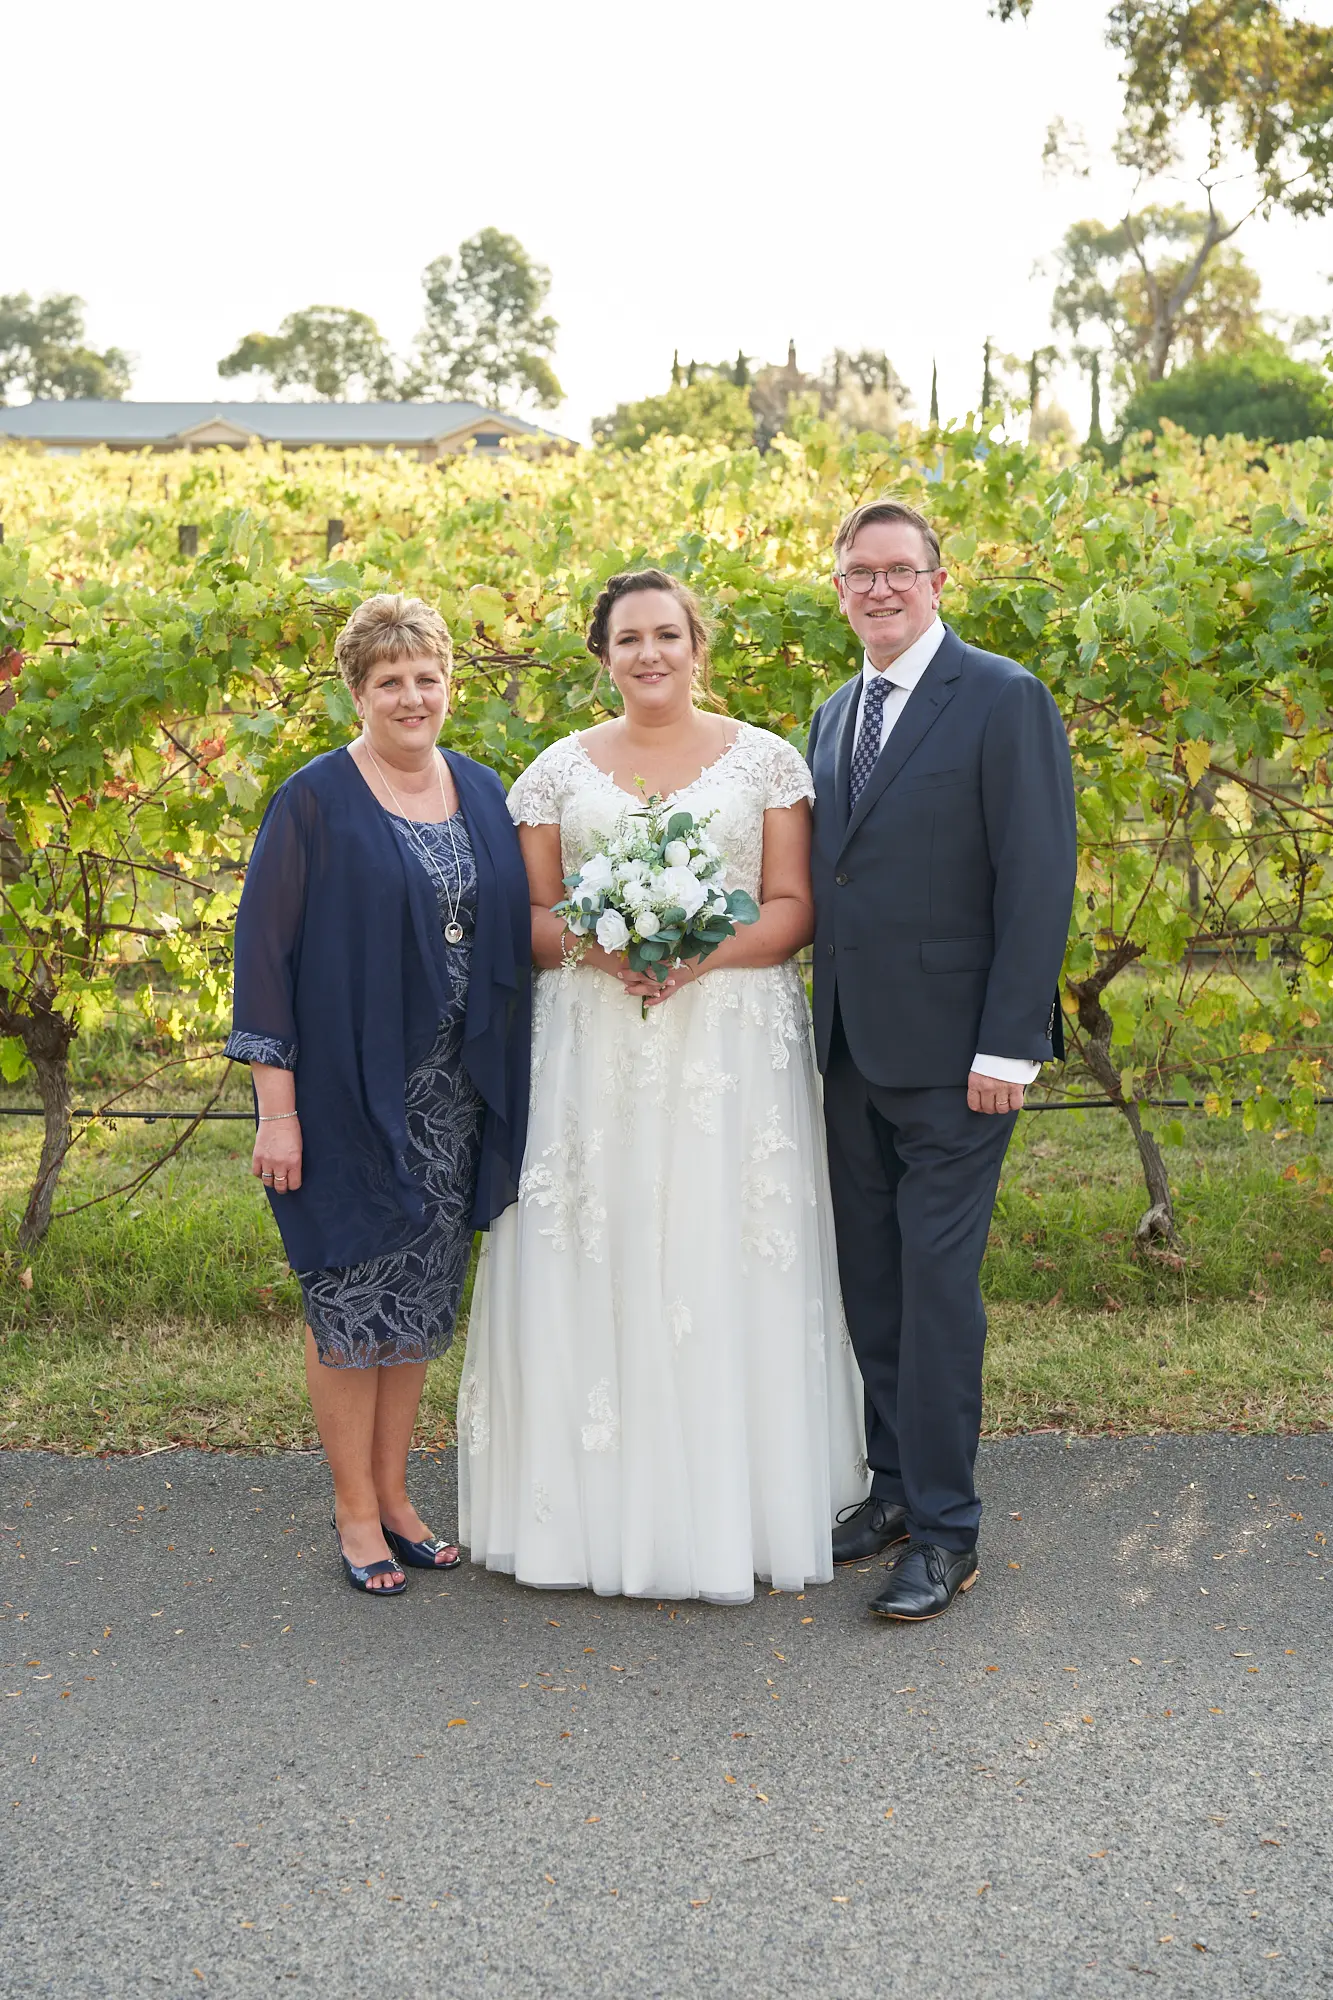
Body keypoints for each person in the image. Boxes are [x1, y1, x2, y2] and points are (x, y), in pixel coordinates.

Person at [459, 568, 866, 1602]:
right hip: (596, 1042)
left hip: (729, 1044)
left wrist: (695, 952)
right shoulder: (555, 772)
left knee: (722, 1245)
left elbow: (790, 905)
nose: (649, 653)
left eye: (667, 634)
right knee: (601, 1243)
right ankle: (588, 1511)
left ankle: (739, 1502)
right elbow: (535, 918)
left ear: (698, 644)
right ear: (602, 653)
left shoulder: (767, 761)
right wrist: (606, 948)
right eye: (628, 637)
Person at [225, 594, 530, 1596]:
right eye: (389, 680)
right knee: (348, 1305)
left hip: (454, 1099)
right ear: (357, 691)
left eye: (427, 676)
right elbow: (263, 955)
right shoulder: (313, 799)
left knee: (417, 1309)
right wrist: (279, 1109)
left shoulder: (483, 792)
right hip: (346, 1098)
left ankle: (398, 1498)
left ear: (449, 682)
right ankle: (354, 1512)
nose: (412, 696)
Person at [807, 500, 1076, 1621]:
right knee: (869, 1280)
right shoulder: (833, 710)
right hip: (850, 1051)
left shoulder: (1002, 697)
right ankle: (892, 1487)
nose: (879, 588)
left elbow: (1037, 874)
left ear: (936, 579)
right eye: (858, 573)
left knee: (936, 1291)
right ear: (839, 589)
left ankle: (948, 1530)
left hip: (961, 1059)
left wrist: (1009, 1043)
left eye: (898, 571)